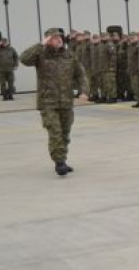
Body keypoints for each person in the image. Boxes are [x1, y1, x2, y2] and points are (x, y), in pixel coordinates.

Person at [20, 28, 89, 176]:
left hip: (66, 101)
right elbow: (24, 59)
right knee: (55, 132)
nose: (59, 39)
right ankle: (59, 163)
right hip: (48, 102)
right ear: (48, 40)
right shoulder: (40, 55)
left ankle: (62, 158)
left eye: (60, 37)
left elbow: (80, 74)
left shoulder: (69, 55)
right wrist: (41, 44)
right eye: (54, 37)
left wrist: (83, 91)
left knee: (65, 133)